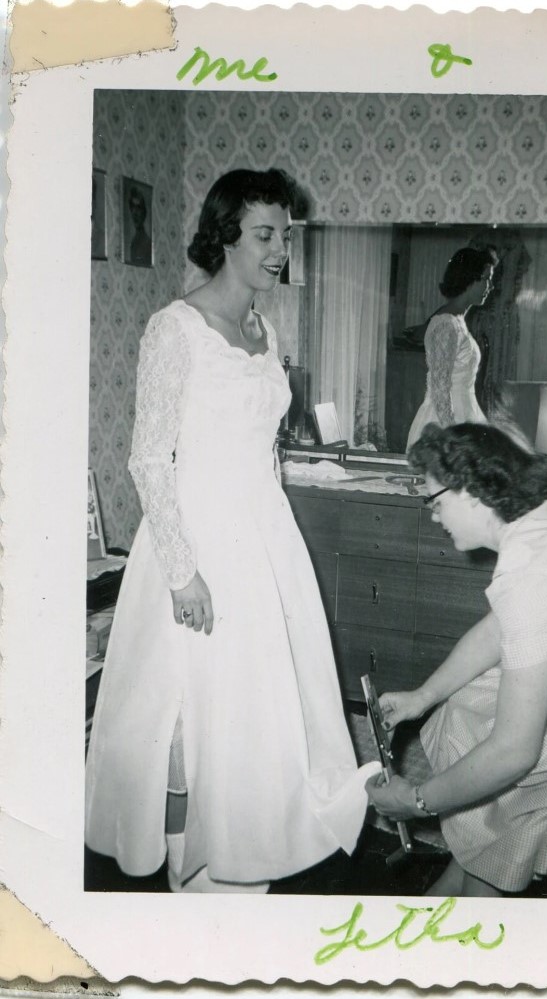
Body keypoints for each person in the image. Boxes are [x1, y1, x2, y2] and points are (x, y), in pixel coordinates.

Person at [86, 169, 374, 893]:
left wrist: (278, 554)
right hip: (198, 544)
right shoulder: (175, 327)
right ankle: (188, 874)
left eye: (286, 234)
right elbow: (148, 458)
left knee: (253, 711)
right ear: (225, 236)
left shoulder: (263, 328)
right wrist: (183, 573)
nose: (281, 249)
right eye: (265, 234)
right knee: (185, 722)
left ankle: (240, 856)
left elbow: (262, 447)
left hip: (263, 537)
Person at [366, 423, 547, 899]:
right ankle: (471, 870)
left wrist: (416, 801)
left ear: (471, 491)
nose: (433, 516)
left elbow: (515, 751)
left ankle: (478, 891)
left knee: (505, 768)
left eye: (434, 501)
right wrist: (423, 696)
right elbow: (500, 628)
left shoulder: (531, 572)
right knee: (467, 702)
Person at [405, 248, 497, 450]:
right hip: (444, 424)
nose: (490, 287)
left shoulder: (458, 320)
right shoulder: (446, 324)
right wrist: (452, 438)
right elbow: (440, 390)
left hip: (466, 414)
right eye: (486, 279)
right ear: (470, 279)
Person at [128, 185, 153, 267]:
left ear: (144, 212)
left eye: (138, 208)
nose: (135, 213)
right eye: (132, 207)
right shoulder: (133, 241)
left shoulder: (147, 243)